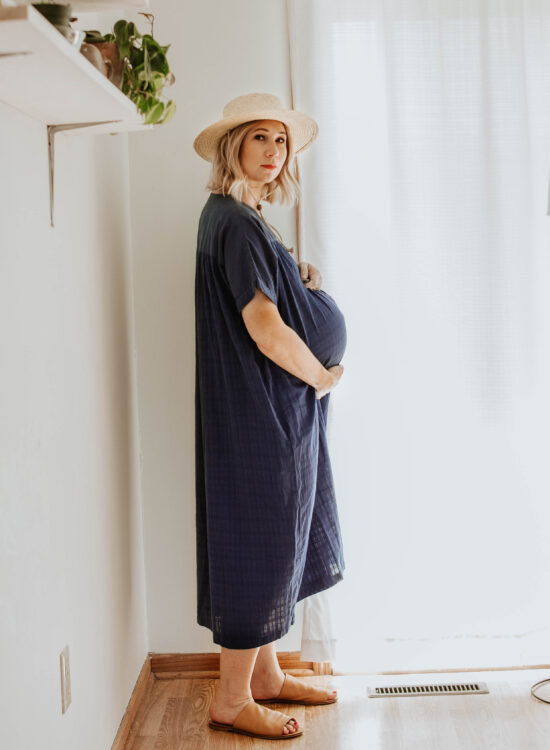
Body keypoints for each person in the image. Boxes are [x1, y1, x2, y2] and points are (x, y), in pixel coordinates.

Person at [193, 92, 347, 741]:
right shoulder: (230, 218)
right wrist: (319, 376)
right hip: (263, 412)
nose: (273, 152)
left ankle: (266, 677)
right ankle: (233, 698)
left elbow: (266, 293)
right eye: (260, 138)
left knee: (280, 539)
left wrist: (295, 272)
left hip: (278, 410)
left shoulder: (248, 219)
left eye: (280, 142)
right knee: (256, 545)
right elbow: (260, 324)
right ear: (235, 146)